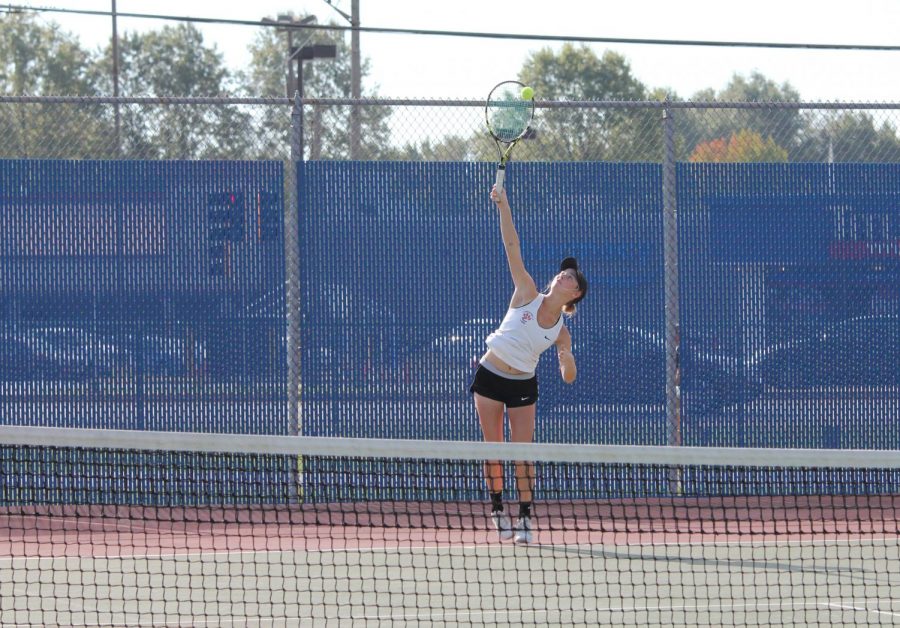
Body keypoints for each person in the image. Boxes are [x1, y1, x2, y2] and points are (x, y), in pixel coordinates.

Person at [469, 185, 588, 544]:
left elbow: (569, 378)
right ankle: (496, 510)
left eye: (570, 278)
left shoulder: (562, 333)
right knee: (494, 450)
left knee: (523, 454)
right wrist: (503, 204)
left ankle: (524, 518)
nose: (562, 276)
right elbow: (512, 246)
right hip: (489, 375)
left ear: (575, 293)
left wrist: (567, 361)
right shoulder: (526, 291)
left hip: (523, 386)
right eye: (562, 274)